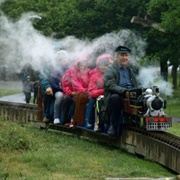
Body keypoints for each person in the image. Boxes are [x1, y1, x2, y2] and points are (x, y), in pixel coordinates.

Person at [102, 46, 138, 136]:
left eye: (126, 55)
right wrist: (124, 91)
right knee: (115, 98)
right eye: (122, 55)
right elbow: (110, 84)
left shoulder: (131, 69)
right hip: (118, 94)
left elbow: (138, 82)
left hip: (132, 93)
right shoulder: (110, 69)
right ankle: (112, 125)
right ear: (116, 57)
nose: (124, 57)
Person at [61, 54, 91, 126]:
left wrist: (85, 92)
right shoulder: (70, 71)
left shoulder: (89, 72)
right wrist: (71, 92)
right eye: (81, 62)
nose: (83, 64)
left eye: (84, 62)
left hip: (83, 94)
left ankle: (75, 120)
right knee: (67, 99)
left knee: (77, 100)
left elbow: (91, 84)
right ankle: (65, 120)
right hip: (71, 93)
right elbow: (65, 84)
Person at [86, 54, 112, 131]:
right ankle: (91, 121)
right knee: (93, 101)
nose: (103, 67)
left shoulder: (111, 75)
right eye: (101, 65)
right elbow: (91, 91)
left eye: (105, 65)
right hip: (96, 96)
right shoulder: (94, 76)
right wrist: (103, 91)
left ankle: (108, 124)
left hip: (107, 96)